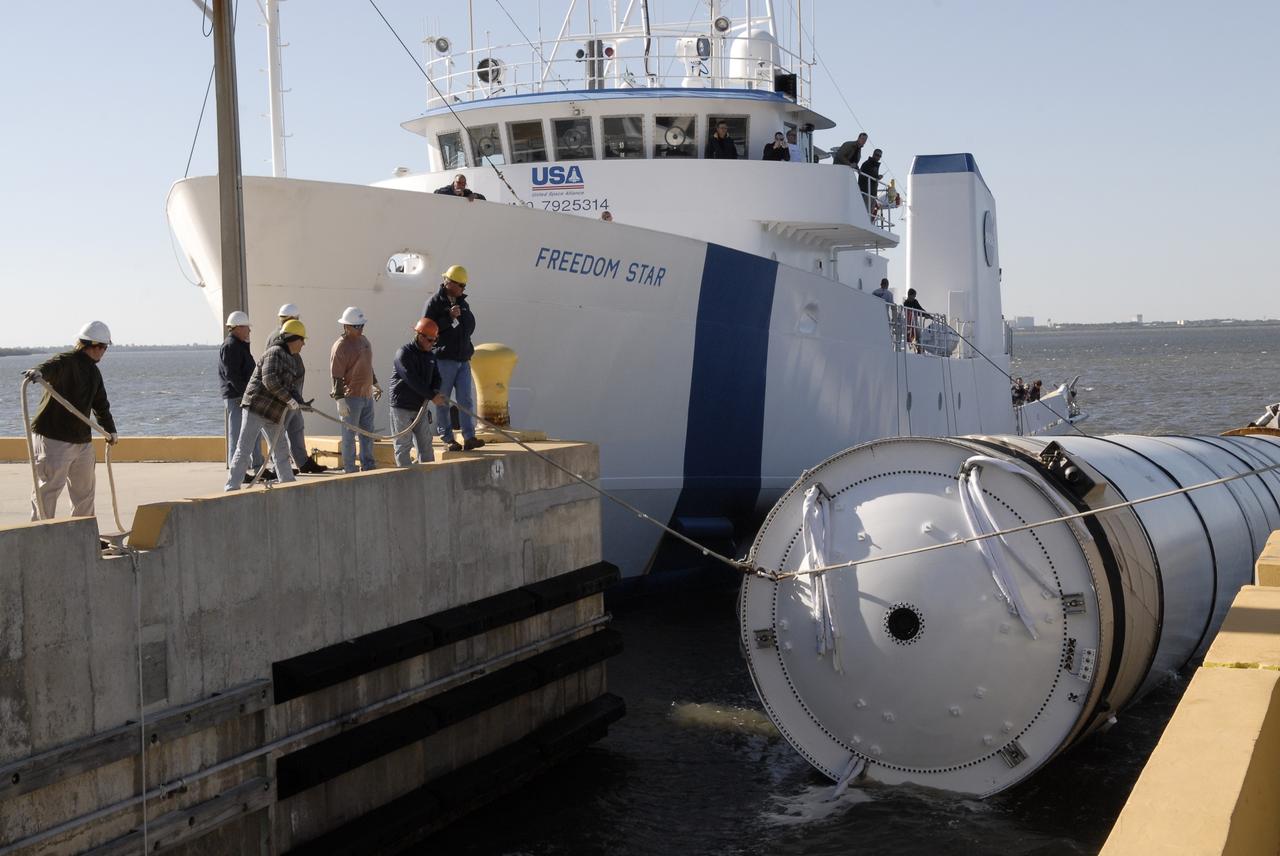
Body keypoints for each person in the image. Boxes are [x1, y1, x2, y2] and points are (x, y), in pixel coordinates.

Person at [23, 321, 118, 521]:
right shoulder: (66, 361)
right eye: (104, 347)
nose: (104, 352)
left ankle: (81, 536)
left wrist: (110, 431)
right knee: (49, 489)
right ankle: (40, 537)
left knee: (84, 493)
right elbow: (50, 367)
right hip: (53, 436)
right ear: (95, 346)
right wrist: (38, 372)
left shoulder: (93, 372)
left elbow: (100, 404)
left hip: (81, 440)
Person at [226, 320, 309, 491]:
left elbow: (290, 386)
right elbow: (269, 380)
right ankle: (232, 487)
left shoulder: (292, 359)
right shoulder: (275, 353)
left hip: (273, 412)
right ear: (293, 338)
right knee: (244, 448)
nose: (304, 344)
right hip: (256, 408)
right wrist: (289, 399)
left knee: (281, 448)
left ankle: (287, 484)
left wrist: (300, 402)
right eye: (302, 339)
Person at [424, 264, 485, 451]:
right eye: (461, 285)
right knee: (442, 400)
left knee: (465, 400)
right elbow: (426, 328)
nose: (463, 289)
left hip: (462, 360)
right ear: (449, 282)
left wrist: (462, 323)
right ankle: (448, 438)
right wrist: (448, 318)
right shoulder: (434, 302)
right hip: (444, 359)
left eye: (464, 286)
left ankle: (469, 437)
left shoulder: (462, 303)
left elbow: (469, 325)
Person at [389, 317, 449, 466]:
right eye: (430, 340)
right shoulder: (403, 354)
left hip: (420, 407)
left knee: (426, 446)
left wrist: (434, 390)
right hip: (402, 407)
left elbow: (437, 377)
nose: (433, 343)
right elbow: (411, 379)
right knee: (403, 446)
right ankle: (404, 480)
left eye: (435, 340)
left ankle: (429, 479)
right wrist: (432, 396)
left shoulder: (430, 356)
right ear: (420, 336)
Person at [219, 311, 270, 482]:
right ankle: (237, 473)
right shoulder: (230, 346)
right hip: (237, 397)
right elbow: (231, 375)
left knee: (253, 433)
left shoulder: (239, 345)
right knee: (237, 435)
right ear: (238, 327)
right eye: (247, 327)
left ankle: (257, 468)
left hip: (245, 396)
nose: (249, 331)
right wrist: (245, 394)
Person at [276, 304, 327, 474]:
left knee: (297, 427)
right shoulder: (280, 338)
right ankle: (281, 466)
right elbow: (276, 372)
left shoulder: (290, 336)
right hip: (286, 397)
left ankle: (303, 462)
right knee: (279, 432)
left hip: (294, 395)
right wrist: (290, 398)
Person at [330, 306, 381, 473]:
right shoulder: (341, 346)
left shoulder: (365, 341)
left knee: (367, 434)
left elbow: (367, 365)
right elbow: (336, 375)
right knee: (349, 436)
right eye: (356, 326)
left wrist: (375, 383)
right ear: (346, 326)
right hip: (351, 398)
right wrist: (340, 399)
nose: (360, 329)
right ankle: (350, 468)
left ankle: (368, 465)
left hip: (366, 395)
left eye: (361, 326)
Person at [859, 148, 883, 214]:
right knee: (865, 212)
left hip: (872, 194)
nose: (878, 157)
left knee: (869, 213)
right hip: (866, 192)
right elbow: (868, 174)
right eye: (877, 155)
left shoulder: (874, 165)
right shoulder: (867, 164)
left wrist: (877, 177)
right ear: (873, 154)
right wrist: (877, 177)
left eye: (880, 156)